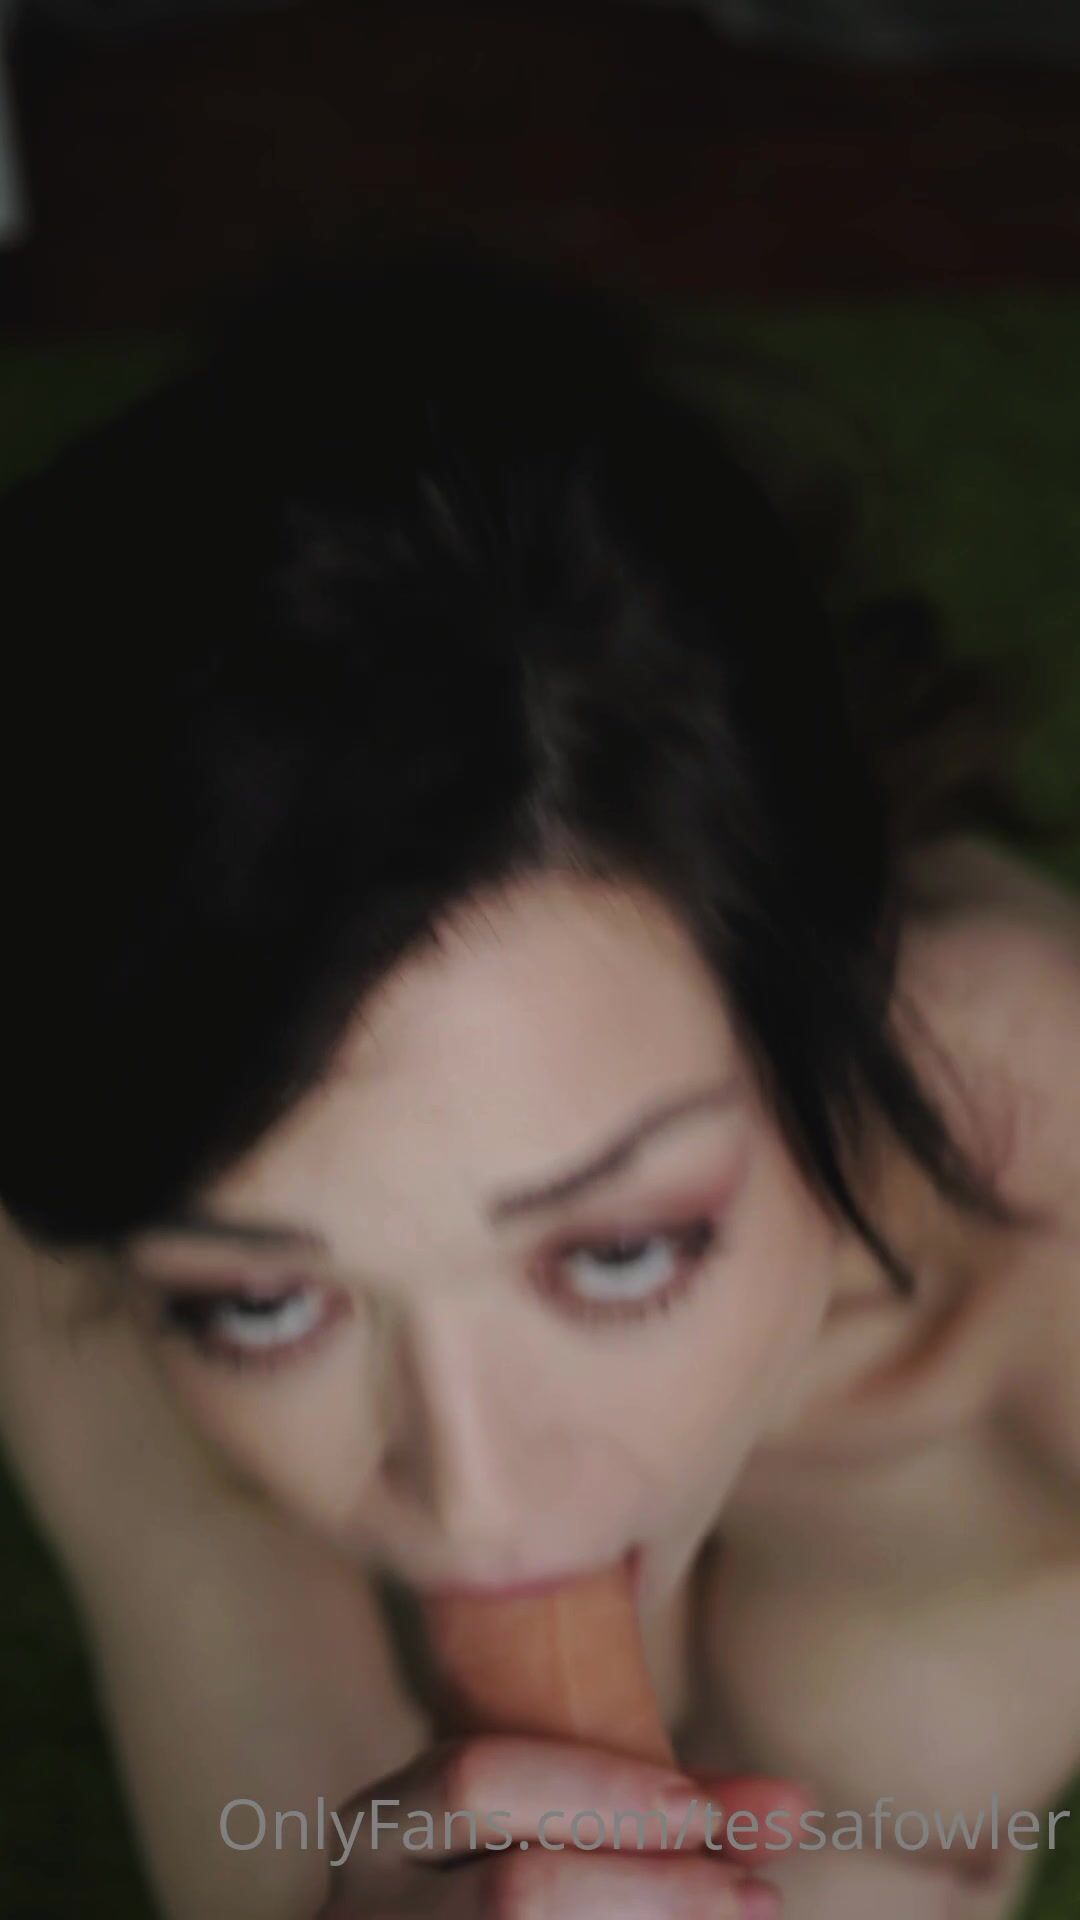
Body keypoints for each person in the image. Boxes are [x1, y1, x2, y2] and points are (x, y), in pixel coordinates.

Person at [0, 247, 1077, 1920]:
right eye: (263, 1304)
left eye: (621, 1249)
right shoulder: (89, 1173)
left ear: (836, 991)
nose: (473, 1508)